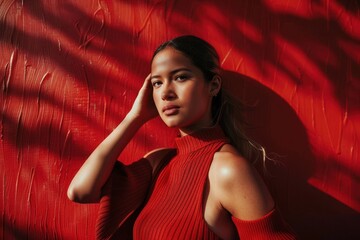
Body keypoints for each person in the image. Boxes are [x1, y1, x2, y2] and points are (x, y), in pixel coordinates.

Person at [67, 35, 297, 240]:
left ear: (213, 85)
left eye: (180, 77)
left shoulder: (228, 170)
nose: (166, 92)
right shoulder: (159, 162)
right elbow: (80, 191)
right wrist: (135, 117)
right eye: (157, 83)